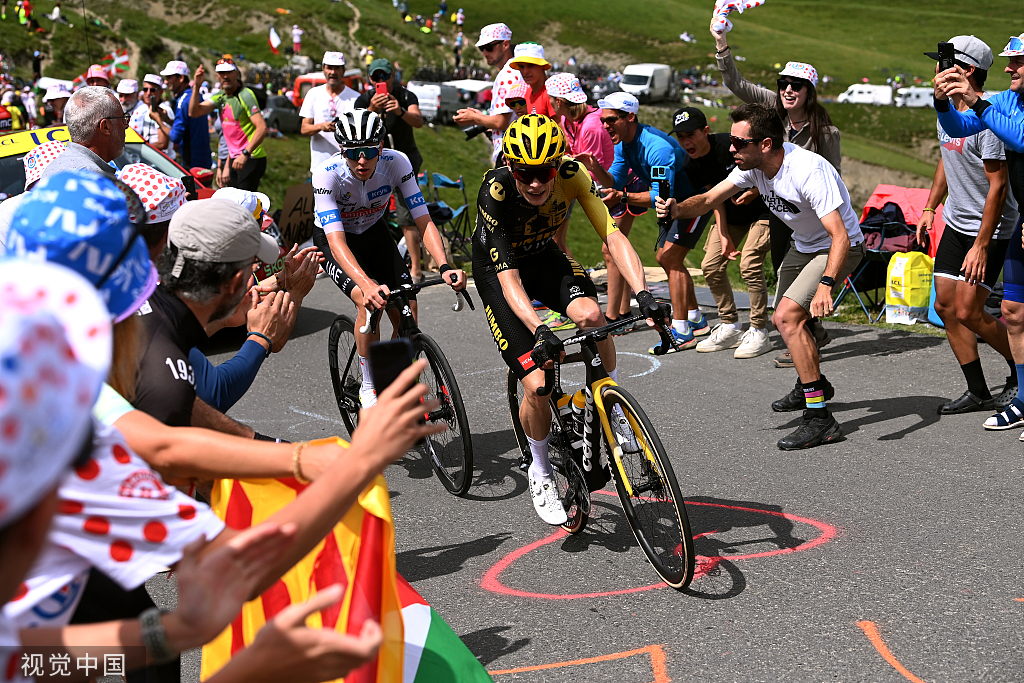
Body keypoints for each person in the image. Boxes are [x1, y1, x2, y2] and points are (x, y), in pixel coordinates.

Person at [474, 113, 667, 524]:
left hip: (544, 258)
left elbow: (613, 236)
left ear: (557, 162)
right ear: (510, 166)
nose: (537, 184)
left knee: (593, 315)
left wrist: (644, 294)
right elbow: (510, 283)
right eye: (526, 173)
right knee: (538, 385)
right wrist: (541, 329)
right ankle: (540, 467)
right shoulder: (495, 192)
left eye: (545, 171)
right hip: (500, 273)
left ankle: (608, 400)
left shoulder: (574, 173)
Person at [658, 103, 864, 450]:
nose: (731, 148)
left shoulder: (808, 171)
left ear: (765, 144)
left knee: (786, 318)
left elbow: (840, 236)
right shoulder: (753, 168)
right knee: (790, 321)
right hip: (805, 245)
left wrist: (827, 285)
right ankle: (813, 383)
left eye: (739, 142)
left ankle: (820, 418)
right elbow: (709, 198)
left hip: (836, 247)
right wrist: (677, 208)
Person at [311, 109, 466, 407]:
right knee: (369, 304)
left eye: (369, 151)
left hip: (373, 231)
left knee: (408, 309)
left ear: (381, 148)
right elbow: (337, 241)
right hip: (336, 240)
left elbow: (424, 221)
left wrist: (445, 265)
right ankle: (369, 386)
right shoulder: (326, 175)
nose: (361, 160)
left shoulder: (397, 163)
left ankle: (394, 377)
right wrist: (366, 284)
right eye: (353, 153)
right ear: (341, 150)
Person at [713, 21, 840, 367]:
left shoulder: (825, 131)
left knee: (795, 272)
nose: (787, 90)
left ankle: (802, 335)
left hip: (811, 214)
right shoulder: (771, 108)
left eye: (796, 86)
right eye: (783, 83)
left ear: (809, 91)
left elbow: (831, 176)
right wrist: (722, 43)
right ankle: (808, 332)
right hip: (777, 209)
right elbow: (735, 84)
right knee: (784, 268)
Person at [919, 36, 1019, 417]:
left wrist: (980, 245)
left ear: (967, 71)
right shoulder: (949, 112)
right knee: (945, 306)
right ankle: (978, 392)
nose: (935, 71)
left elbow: (999, 186)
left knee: (970, 312)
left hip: (990, 231)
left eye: (943, 64)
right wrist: (931, 206)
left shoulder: (988, 119)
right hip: (957, 223)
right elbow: (947, 158)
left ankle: (1020, 372)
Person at [577, 91, 710, 353]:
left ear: (630, 117)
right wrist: (594, 167)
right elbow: (613, 181)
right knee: (669, 258)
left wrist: (623, 197)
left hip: (691, 202)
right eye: (603, 120)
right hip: (672, 205)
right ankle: (696, 318)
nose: (605, 125)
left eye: (611, 120)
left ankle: (682, 330)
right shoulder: (624, 143)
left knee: (669, 258)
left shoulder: (656, 148)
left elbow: (660, 195)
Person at [672, 106, 774, 359]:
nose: (685, 142)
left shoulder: (729, 145)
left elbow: (767, 167)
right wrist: (724, 232)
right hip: (732, 215)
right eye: (680, 137)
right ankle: (730, 325)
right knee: (710, 264)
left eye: (690, 135)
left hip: (763, 212)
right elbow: (713, 197)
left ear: (705, 131)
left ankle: (759, 330)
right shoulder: (690, 162)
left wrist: (755, 191)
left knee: (749, 264)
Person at [355, 57, 427, 281]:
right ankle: (378, 264)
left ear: (393, 77)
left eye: (385, 76)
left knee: (407, 213)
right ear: (370, 79)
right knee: (376, 211)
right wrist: (371, 109)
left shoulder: (406, 95)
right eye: (376, 77)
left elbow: (418, 121)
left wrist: (400, 111)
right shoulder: (364, 99)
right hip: (376, 159)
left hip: (405, 158)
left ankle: (416, 268)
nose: (381, 81)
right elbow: (356, 128)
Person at [189, 58, 268, 191]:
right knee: (234, 204)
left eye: (229, 72)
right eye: (222, 73)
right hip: (235, 159)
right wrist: (196, 86)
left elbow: (262, 128)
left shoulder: (245, 95)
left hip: (251, 157)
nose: (225, 76)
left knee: (244, 205)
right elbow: (194, 112)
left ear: (236, 74)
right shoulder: (221, 97)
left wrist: (245, 154)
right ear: (217, 76)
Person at [454, 22, 522, 164]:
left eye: (489, 47)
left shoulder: (508, 74)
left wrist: (474, 118)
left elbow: (501, 122)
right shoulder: (516, 69)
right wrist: (482, 117)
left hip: (509, 152)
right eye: (481, 48)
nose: (485, 53)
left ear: (505, 45)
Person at [39, 86, 124, 181]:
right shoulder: (95, 179)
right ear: (105, 127)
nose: (126, 126)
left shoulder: (54, 166)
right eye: (123, 120)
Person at [299, 51, 359, 173]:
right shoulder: (313, 94)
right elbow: (304, 129)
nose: (333, 72)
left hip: (348, 167)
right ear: (323, 69)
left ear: (343, 70)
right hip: (320, 166)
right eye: (329, 68)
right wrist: (321, 126)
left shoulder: (355, 98)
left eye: (337, 68)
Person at [162, 59, 212, 171]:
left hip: (192, 163)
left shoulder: (184, 100)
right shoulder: (192, 96)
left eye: (169, 77)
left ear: (181, 78)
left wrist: (158, 120)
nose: (165, 82)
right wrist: (167, 120)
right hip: (201, 159)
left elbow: (175, 136)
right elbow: (188, 126)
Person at [130, 73, 175, 159]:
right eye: (145, 89)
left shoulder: (164, 110)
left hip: (163, 162)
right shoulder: (145, 108)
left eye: (153, 90)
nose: (148, 93)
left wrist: (136, 148)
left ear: (161, 92)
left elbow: (162, 144)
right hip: (152, 158)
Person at [508, 42, 554, 119]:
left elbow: (562, 129)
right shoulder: (528, 93)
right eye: (521, 66)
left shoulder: (552, 93)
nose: (525, 71)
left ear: (542, 66)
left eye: (531, 65)